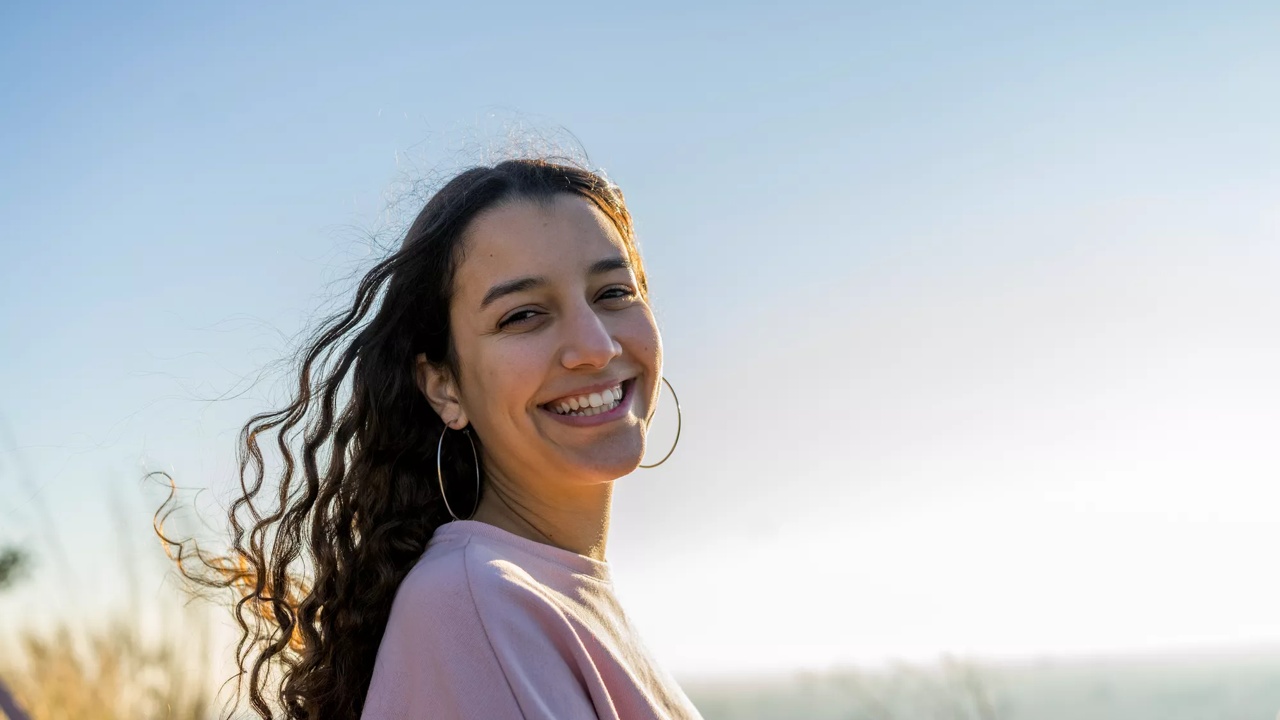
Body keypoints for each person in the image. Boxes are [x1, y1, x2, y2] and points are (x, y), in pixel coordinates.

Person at [159, 157, 703, 720]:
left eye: (614, 292)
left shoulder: (540, 591)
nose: (595, 345)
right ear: (444, 386)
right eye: (522, 315)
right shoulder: (476, 602)